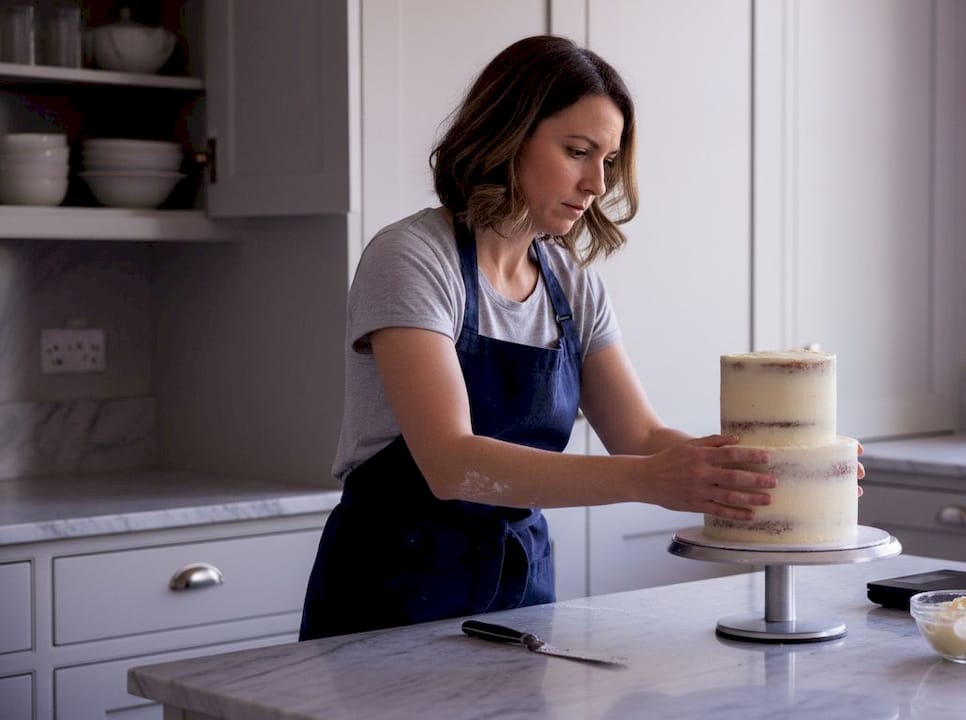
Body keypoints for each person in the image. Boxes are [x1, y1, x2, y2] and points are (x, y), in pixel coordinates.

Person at [299, 35, 853, 641]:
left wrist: (780, 474)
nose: (596, 183)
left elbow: (638, 436)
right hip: (390, 591)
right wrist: (650, 480)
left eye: (609, 161)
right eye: (578, 151)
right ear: (506, 135)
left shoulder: (570, 283)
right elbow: (450, 463)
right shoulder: (411, 258)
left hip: (521, 591)